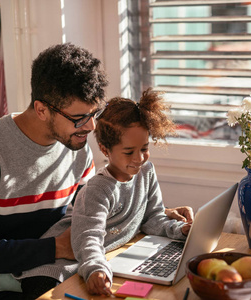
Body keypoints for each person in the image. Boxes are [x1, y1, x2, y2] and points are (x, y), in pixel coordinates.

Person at [0, 43, 193, 300]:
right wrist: (54, 247)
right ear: (41, 109)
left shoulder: (76, 146)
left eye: (94, 112)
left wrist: (152, 212)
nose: (91, 126)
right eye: (79, 118)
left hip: (62, 273)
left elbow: (89, 213)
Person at [13, 88, 193, 297]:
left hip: (96, 260)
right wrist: (96, 269)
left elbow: (153, 218)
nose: (139, 158)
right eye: (129, 152)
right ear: (105, 149)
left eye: (144, 148)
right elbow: (88, 238)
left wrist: (180, 230)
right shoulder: (97, 190)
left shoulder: (146, 172)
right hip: (55, 268)